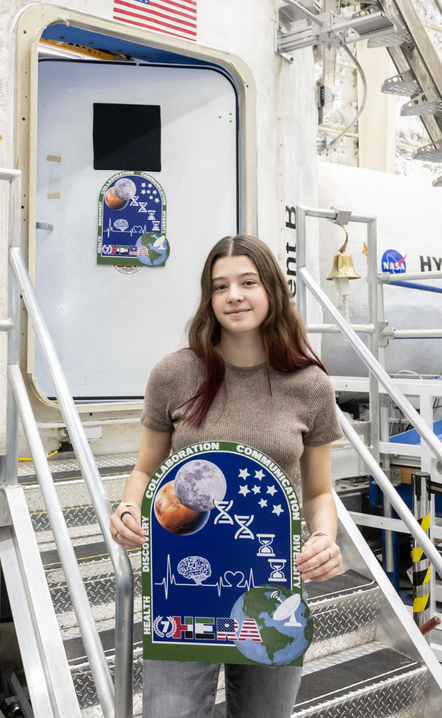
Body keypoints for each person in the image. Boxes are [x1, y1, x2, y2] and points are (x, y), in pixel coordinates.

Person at [109, 234, 343, 718]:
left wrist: (324, 539)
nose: (233, 295)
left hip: (271, 589)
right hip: (183, 592)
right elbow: (144, 469)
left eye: (247, 282)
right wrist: (129, 508)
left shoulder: (310, 385)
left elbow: (320, 491)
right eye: (220, 287)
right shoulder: (173, 375)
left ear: (273, 291)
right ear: (208, 299)